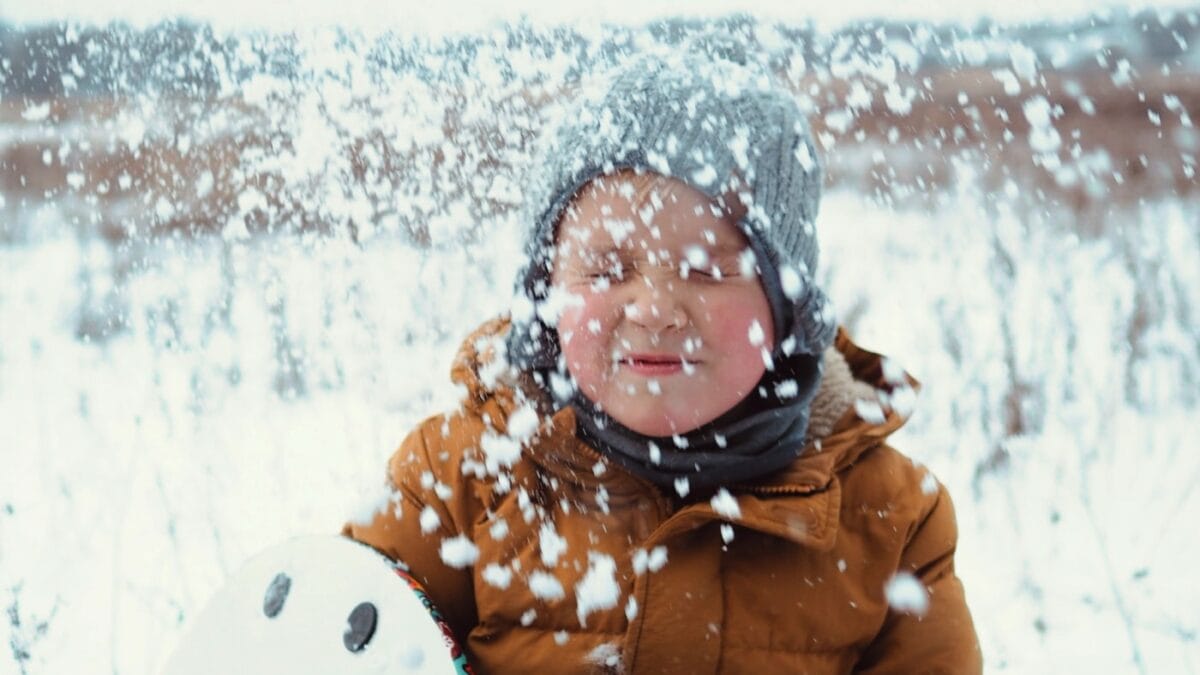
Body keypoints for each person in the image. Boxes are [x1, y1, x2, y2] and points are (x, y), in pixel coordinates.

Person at [345, 44, 981, 674]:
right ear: (546, 294)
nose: (653, 310)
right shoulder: (464, 479)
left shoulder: (889, 520)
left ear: (787, 305)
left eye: (706, 270)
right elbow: (338, 642)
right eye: (606, 268)